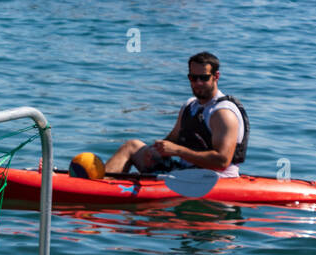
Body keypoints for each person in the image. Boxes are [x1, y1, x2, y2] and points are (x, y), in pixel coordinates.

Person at [105, 51, 248, 177]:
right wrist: (155, 151)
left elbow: (222, 162)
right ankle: (99, 186)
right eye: (193, 78)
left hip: (213, 179)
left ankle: (100, 191)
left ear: (216, 76)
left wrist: (178, 151)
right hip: (183, 172)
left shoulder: (223, 114)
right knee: (132, 146)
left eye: (203, 78)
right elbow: (173, 139)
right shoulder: (190, 106)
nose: (197, 83)